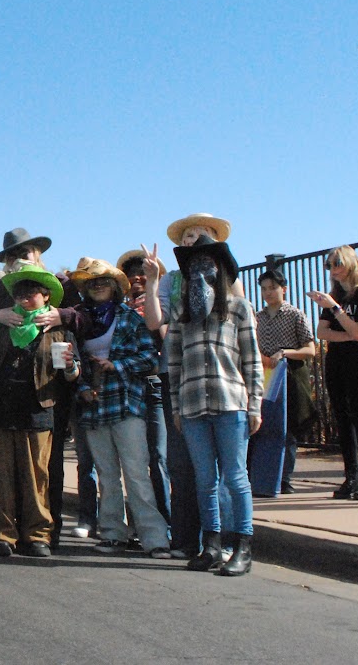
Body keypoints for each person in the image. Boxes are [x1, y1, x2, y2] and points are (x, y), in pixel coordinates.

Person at [139, 211, 239, 560]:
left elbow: (241, 332)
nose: (191, 239)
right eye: (186, 236)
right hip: (179, 378)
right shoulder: (173, 282)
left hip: (221, 384)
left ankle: (224, 540)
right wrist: (152, 282)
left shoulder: (228, 280)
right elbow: (155, 320)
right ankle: (185, 539)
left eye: (198, 234)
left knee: (221, 467)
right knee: (181, 462)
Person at [166, 235, 263, 576]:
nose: (199, 270)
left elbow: (251, 359)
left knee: (236, 477)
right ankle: (211, 545)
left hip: (230, 402)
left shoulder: (239, 308)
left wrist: (256, 405)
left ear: (220, 269)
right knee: (205, 479)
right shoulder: (181, 312)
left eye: (207, 264)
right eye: (193, 265)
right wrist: (176, 408)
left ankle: (243, 547)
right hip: (192, 406)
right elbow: (174, 362)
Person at [60, 259, 169, 558]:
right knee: (107, 476)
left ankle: (154, 537)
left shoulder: (130, 318)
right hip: (94, 408)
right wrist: (82, 389)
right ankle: (112, 534)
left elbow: (151, 359)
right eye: (92, 282)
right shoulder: (81, 323)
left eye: (103, 281)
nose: (97, 286)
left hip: (126, 403)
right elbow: (74, 363)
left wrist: (116, 365)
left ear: (115, 287)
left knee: (136, 473)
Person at [0, 265, 76, 558]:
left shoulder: (57, 329)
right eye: (19, 294)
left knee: (36, 478)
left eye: (31, 294)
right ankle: (1, 535)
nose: (24, 299)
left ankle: (37, 535)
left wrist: (69, 365)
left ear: (46, 297)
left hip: (37, 411)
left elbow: (72, 373)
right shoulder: (3, 322)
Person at [308, 246, 358, 501]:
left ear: (349, 263)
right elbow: (322, 332)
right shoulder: (334, 295)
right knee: (342, 417)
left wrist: (337, 310)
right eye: (329, 265)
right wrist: (350, 334)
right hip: (336, 360)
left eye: (336, 263)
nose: (333, 269)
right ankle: (351, 476)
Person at [254, 267, 317, 494]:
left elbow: (310, 349)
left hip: (290, 375)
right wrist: (263, 358)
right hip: (263, 377)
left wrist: (285, 353)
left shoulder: (295, 314)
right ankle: (261, 477)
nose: (268, 293)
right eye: (264, 289)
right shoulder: (257, 318)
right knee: (261, 427)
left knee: (287, 429)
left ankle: (285, 478)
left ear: (284, 289)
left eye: (273, 288)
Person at [118, 248, 169, 524]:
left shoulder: (161, 302)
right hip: (128, 387)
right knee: (135, 460)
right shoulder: (120, 310)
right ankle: (141, 523)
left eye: (142, 274)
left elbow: (163, 336)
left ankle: (166, 522)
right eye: (131, 275)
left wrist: (151, 296)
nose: (136, 279)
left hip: (154, 382)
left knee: (158, 456)